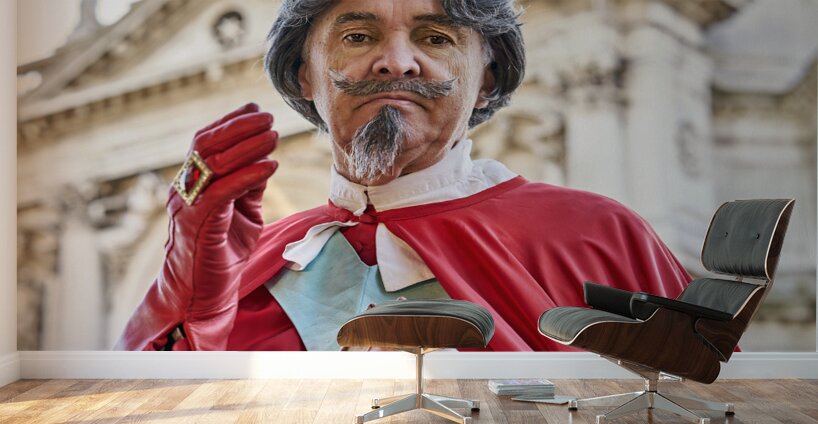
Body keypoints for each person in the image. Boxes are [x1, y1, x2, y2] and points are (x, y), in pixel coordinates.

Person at [116, 0, 690, 351]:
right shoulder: (244, 266)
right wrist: (181, 297)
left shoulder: (598, 235)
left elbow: (704, 398)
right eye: (357, 37)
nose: (396, 61)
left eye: (436, 38)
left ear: (487, 79)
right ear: (304, 74)